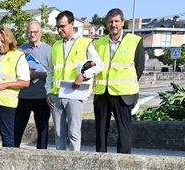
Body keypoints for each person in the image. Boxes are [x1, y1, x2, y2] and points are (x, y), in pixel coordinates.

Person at [47, 11, 103, 151]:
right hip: (57, 94)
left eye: (62, 26)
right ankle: (60, 164)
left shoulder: (85, 43)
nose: (59, 30)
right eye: (57, 27)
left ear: (72, 25)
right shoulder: (55, 46)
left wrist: (83, 75)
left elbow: (99, 65)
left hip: (75, 93)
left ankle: (74, 164)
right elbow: (50, 71)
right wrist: (48, 92)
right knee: (59, 134)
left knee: (74, 132)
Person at [93, 8, 145, 154]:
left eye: (116, 21)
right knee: (101, 130)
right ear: (106, 23)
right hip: (102, 92)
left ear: (123, 23)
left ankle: (123, 162)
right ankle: (100, 159)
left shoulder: (134, 41)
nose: (113, 24)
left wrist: (126, 83)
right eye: (110, 22)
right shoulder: (99, 43)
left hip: (124, 93)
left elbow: (139, 69)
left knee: (124, 131)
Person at [0, 27, 30, 148]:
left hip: (7, 103)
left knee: (7, 136)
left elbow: (25, 82)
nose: (0, 44)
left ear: (9, 41)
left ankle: (8, 164)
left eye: (3, 42)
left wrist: (5, 85)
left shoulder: (18, 56)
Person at [14, 21, 53, 149]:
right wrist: (26, 73)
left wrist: (38, 75)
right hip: (23, 96)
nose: (32, 34)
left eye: (35, 32)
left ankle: (42, 155)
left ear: (40, 33)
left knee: (42, 129)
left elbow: (53, 74)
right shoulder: (20, 50)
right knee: (17, 128)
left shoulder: (49, 50)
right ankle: (13, 152)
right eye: (30, 32)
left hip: (42, 96)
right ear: (26, 33)